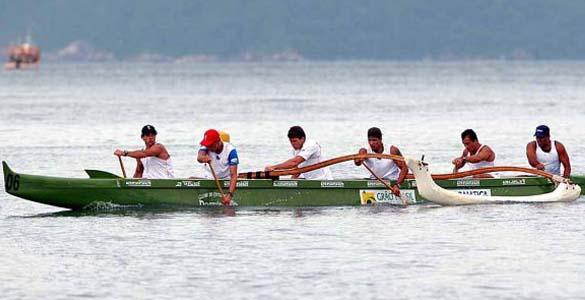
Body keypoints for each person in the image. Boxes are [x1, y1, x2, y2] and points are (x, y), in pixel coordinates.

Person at [354, 127, 407, 196]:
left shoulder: (392, 150)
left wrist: (397, 185)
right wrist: (358, 160)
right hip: (374, 182)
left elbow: (405, 168)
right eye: (369, 140)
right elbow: (357, 163)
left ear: (381, 139)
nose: (371, 143)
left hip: (392, 182)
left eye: (374, 140)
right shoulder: (365, 151)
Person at [265, 126, 333, 180]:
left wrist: (274, 167)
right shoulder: (296, 150)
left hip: (324, 181)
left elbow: (294, 162)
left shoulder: (311, 145)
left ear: (302, 139)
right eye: (291, 141)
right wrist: (289, 184)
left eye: (295, 141)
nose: (292, 144)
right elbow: (297, 171)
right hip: (309, 181)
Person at [197, 129, 239, 205]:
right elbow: (199, 157)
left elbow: (234, 175)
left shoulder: (231, 151)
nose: (208, 147)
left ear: (218, 142)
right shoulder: (206, 147)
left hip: (226, 180)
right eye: (207, 145)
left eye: (210, 145)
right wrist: (203, 158)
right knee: (190, 179)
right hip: (209, 179)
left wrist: (229, 195)